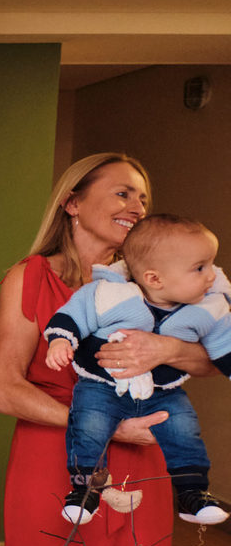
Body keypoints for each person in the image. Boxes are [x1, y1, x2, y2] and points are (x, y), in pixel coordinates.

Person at [0, 154, 217, 546]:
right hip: (54, 465)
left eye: (142, 197)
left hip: (146, 467)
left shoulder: (163, 276)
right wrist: (107, 428)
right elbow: (3, 388)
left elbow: (211, 357)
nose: (135, 207)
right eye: (121, 194)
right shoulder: (30, 278)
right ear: (72, 203)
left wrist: (163, 347)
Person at [45, 214, 231, 525]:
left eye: (211, 264)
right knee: (89, 424)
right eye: (200, 268)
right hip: (102, 385)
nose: (211, 275)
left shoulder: (209, 309)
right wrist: (60, 341)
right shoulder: (107, 294)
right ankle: (83, 490)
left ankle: (192, 493)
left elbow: (224, 347)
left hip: (162, 392)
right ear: (154, 278)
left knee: (184, 429)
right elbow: (72, 316)